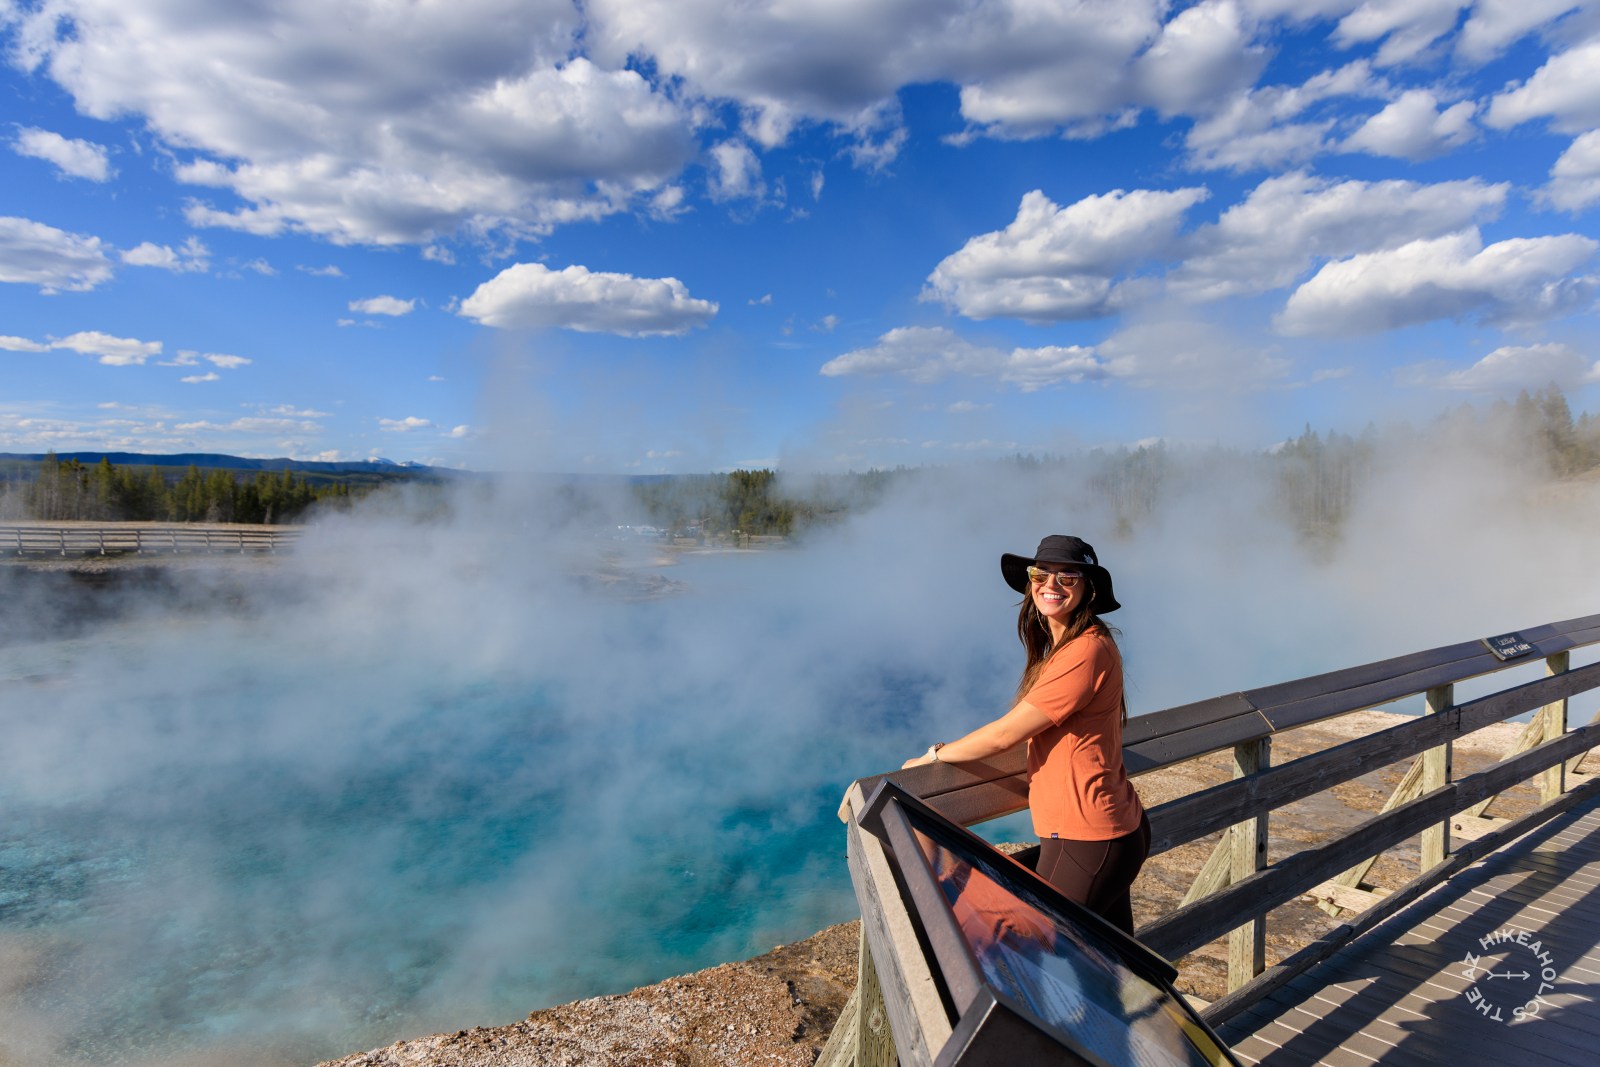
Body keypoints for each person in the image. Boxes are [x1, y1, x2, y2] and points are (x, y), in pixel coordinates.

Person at [903, 535, 1149, 935]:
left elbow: (1005, 735)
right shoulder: (1076, 645)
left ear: (1088, 589)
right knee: (1113, 968)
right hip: (1106, 832)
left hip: (1088, 836)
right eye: (1041, 575)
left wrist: (934, 756)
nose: (1051, 586)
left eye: (1068, 578)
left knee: (1011, 941)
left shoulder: (1084, 651)